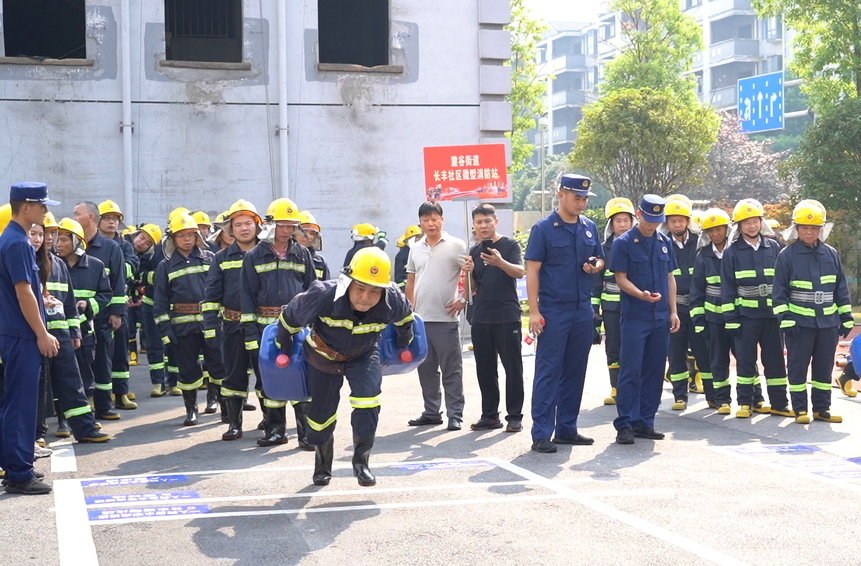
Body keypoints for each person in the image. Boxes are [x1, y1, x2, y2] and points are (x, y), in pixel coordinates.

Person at [277, 247, 414, 486]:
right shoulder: (322, 295)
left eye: (374, 291)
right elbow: (288, 319)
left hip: (363, 354)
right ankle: (322, 465)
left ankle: (361, 462)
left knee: (368, 401)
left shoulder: (393, 298)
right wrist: (284, 349)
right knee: (321, 415)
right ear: (348, 281)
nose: (365, 298)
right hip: (322, 356)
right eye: (360, 288)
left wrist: (403, 344)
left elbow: (406, 321)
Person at [525, 174, 604, 453]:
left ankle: (567, 428)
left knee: (575, 370)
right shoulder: (544, 229)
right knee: (548, 371)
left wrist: (596, 264)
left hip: (583, 309)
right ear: (561, 194)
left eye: (584, 198)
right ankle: (541, 433)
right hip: (554, 310)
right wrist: (534, 311)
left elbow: (599, 256)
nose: (581, 203)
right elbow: (532, 272)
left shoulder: (589, 227)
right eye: (576, 197)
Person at [240, 198, 316, 447]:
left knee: (301, 376)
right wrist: (251, 336)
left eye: (291, 226)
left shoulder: (302, 253)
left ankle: (306, 433)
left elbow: (313, 291)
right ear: (271, 224)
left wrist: (314, 326)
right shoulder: (254, 256)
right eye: (282, 225)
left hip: (298, 327)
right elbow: (247, 298)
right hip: (267, 328)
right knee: (269, 379)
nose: (286, 230)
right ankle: (275, 431)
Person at [0, 182, 60, 495]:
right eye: (42, 205)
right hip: (22, 335)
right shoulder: (18, 243)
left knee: (16, 403)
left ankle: (15, 465)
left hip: (14, 333)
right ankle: (20, 473)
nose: (45, 211)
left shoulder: (11, 238)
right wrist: (42, 333)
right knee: (21, 405)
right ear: (27, 207)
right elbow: (24, 294)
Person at [773, 200, 853, 424]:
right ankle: (800, 410)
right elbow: (778, 292)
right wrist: (786, 319)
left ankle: (821, 409)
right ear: (796, 228)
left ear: (821, 229)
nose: (809, 232)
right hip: (799, 324)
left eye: (814, 228)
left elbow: (840, 288)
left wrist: (846, 316)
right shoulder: (786, 255)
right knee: (798, 368)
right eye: (804, 228)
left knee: (824, 367)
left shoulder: (831, 253)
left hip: (827, 323)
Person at [32, 217, 110, 444]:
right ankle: (37, 434)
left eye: (51, 233)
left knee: (72, 383)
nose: (47, 238)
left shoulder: (58, 264)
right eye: (41, 233)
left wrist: (75, 332)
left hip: (62, 337)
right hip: (38, 336)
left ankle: (85, 429)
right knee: (38, 388)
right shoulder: (27, 262)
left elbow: (69, 304)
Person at [610, 195, 680, 445]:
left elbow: (670, 278)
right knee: (630, 371)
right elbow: (621, 278)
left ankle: (645, 421)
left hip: (660, 317)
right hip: (635, 317)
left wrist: (673, 311)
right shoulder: (624, 242)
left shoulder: (664, 242)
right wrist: (640, 294)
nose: (653, 225)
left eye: (657, 221)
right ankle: (625, 424)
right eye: (649, 219)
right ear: (639, 214)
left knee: (654, 370)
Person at [154, 213, 226, 426]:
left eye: (191, 234)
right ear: (172, 239)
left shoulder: (210, 259)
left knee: (218, 365)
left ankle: (221, 404)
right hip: (182, 327)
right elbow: (160, 302)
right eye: (181, 235)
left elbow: (219, 291)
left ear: (198, 236)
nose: (187, 239)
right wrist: (165, 331)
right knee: (188, 369)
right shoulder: (165, 267)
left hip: (211, 324)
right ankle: (191, 409)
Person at [721, 199, 791, 418]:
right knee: (745, 360)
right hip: (745, 317)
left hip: (771, 316)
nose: (752, 226)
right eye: (746, 222)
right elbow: (727, 288)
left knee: (775, 360)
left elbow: (782, 283)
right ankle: (745, 402)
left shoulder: (774, 247)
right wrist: (731, 318)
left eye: (755, 221)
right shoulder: (731, 252)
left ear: (761, 222)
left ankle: (779, 403)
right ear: (738, 226)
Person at [204, 199, 264, 441]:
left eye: (248, 223)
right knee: (233, 376)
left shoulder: (267, 253)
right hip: (232, 326)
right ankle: (234, 424)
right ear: (230, 230)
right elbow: (211, 295)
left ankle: (270, 420)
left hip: (262, 326)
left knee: (266, 374)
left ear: (257, 226)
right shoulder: (220, 258)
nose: (243, 228)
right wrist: (210, 326)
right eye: (238, 224)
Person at [405, 202, 468, 431]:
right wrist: (409, 310)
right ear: (420, 222)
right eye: (425, 219)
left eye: (434, 218)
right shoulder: (415, 248)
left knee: (451, 368)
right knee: (426, 368)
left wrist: (463, 298)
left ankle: (455, 414)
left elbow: (471, 274)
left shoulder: (456, 245)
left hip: (446, 318)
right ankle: (432, 412)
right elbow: (410, 281)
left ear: (442, 219)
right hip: (420, 320)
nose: (430, 223)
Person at [462, 204, 525, 432]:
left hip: (507, 315)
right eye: (479, 222)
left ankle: (515, 416)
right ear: (474, 226)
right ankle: (490, 415)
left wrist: (500, 262)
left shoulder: (509, 245)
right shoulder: (473, 251)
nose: (483, 226)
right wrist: (468, 271)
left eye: (487, 221)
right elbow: (472, 289)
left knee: (513, 368)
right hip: (482, 316)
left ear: (495, 222)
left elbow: (520, 271)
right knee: (485, 368)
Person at [73, 202, 127, 420]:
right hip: (77, 317)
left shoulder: (110, 247)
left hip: (103, 315)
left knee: (103, 361)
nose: (74, 217)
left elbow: (118, 281)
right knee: (81, 363)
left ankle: (104, 406)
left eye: (77, 214)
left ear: (91, 217)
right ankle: (85, 404)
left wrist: (117, 312)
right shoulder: (74, 243)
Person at [56, 219, 113, 420]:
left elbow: (106, 295)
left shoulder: (95, 266)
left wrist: (88, 305)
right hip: (59, 329)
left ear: (78, 242)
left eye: (64, 239)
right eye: (57, 239)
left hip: (85, 331)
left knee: (86, 374)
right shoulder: (52, 266)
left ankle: (87, 414)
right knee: (61, 375)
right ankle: (62, 420)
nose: (58, 244)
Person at [662, 195, 712, 410]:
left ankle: (713, 395)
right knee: (676, 353)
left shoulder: (700, 241)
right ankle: (680, 396)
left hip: (698, 306)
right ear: (667, 223)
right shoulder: (661, 243)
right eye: (672, 221)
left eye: (681, 220)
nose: (677, 224)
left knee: (704, 351)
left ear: (687, 221)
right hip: (675, 307)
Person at [690, 209, 733, 415]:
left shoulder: (736, 251)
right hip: (714, 317)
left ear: (727, 228)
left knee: (744, 357)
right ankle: (721, 398)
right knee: (718, 359)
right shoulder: (703, 256)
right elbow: (696, 290)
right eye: (711, 230)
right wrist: (699, 319)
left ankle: (752, 398)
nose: (715, 233)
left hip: (738, 315)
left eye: (719, 228)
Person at [97, 200, 139, 410]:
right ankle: (100, 395)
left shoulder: (125, 245)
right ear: (98, 221)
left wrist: (114, 269)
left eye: (115, 219)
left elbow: (132, 267)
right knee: (98, 353)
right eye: (107, 218)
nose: (111, 222)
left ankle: (121, 392)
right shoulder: (90, 244)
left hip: (120, 304)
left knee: (121, 350)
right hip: (98, 304)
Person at [592, 197, 634, 406]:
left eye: (626, 220)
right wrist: (594, 313)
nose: (622, 224)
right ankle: (616, 387)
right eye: (618, 221)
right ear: (611, 224)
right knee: (614, 347)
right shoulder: (602, 249)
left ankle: (633, 386)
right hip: (611, 309)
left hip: (636, 307)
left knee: (634, 346)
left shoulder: (640, 245)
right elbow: (595, 284)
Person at [128, 224, 167, 397]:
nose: (142, 242)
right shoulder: (133, 252)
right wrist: (157, 277)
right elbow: (139, 276)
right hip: (151, 304)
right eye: (141, 237)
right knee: (154, 344)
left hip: (171, 305)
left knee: (173, 346)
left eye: (147, 241)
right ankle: (158, 382)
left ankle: (173, 382)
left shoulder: (161, 254)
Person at [296, 211, 330, 280]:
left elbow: (326, 288)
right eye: (304, 231)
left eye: (312, 233)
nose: (308, 236)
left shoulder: (320, 262)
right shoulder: (287, 258)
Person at [394, 225, 422, 289]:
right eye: (417, 237)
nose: (419, 240)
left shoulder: (420, 252)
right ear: (411, 239)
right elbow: (399, 281)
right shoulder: (401, 255)